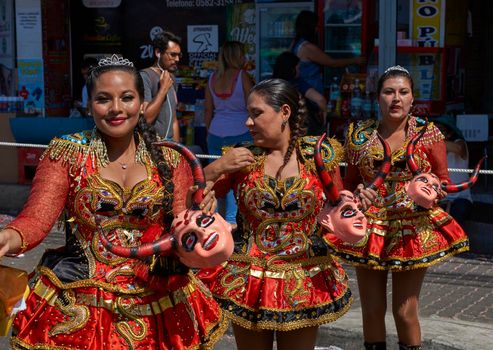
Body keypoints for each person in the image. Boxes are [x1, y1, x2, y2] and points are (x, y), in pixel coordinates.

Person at [0, 54, 229, 349]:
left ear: (143, 103)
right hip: (81, 300)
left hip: (155, 298)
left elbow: (180, 228)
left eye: (127, 98)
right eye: (103, 99)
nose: (116, 108)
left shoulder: (170, 159)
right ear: (89, 104)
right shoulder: (67, 154)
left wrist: (199, 218)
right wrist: (6, 237)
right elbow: (36, 219)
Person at [323, 65, 471, 350]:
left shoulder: (429, 134)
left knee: (404, 312)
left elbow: (442, 181)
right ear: (377, 97)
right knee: (372, 310)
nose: (396, 98)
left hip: (413, 229)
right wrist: (358, 194)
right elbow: (351, 184)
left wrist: (428, 192)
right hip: (369, 229)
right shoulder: (358, 135)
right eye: (389, 92)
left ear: (413, 98)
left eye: (403, 92)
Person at [198, 79, 352, 350]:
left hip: (305, 276)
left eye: (256, 113)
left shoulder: (319, 156)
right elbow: (188, 198)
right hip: (249, 278)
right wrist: (215, 170)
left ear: (284, 112)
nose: (248, 122)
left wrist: (350, 211)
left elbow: (339, 210)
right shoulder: (241, 158)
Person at [290, 10, 365, 134]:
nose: (318, 29)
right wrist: (356, 60)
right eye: (316, 26)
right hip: (309, 96)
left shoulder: (296, 43)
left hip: (304, 96)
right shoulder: (307, 48)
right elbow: (331, 62)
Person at [204, 40, 254, 227]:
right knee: (236, 179)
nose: (245, 58)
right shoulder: (243, 76)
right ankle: (232, 222)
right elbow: (253, 105)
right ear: (236, 56)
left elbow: (208, 110)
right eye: (242, 54)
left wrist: (211, 130)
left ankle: (211, 217)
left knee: (214, 178)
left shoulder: (211, 78)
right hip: (240, 132)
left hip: (216, 132)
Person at [140, 31, 182, 141]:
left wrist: (177, 149)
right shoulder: (145, 76)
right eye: (173, 54)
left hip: (170, 144)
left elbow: (173, 119)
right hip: (152, 144)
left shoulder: (171, 78)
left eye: (179, 55)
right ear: (158, 52)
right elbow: (146, 118)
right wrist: (163, 89)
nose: (177, 59)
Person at [272, 51, 327, 134]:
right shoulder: (297, 84)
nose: (299, 71)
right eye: (298, 68)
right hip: (301, 126)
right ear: (292, 69)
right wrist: (324, 113)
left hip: (279, 127)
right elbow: (320, 99)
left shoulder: (272, 84)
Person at [433, 115, 473, 223]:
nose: (435, 133)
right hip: (439, 198)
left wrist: (433, 140)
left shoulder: (460, 143)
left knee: (454, 221)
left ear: (450, 133)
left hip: (461, 199)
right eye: (434, 129)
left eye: (439, 130)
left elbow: (459, 149)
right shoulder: (434, 148)